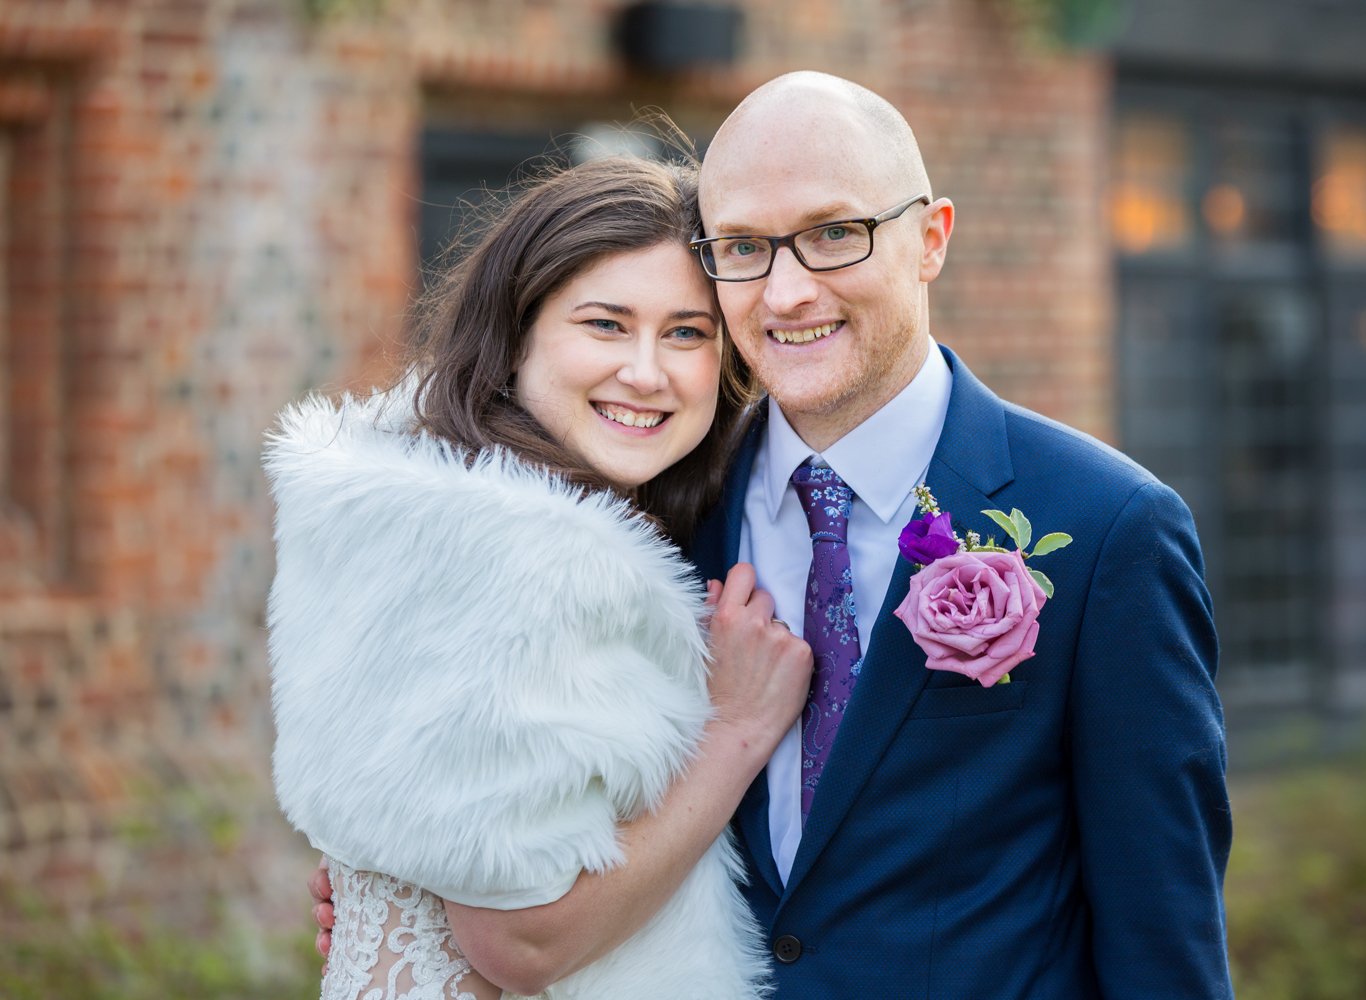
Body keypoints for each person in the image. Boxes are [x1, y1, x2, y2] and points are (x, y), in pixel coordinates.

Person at [312, 72, 1234, 998]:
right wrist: (407, 891)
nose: (788, 292)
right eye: (745, 247)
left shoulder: (1109, 528)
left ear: (931, 239)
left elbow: (1163, 938)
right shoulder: (651, 507)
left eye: (835, 233)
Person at [267, 151, 811, 999]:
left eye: (686, 333)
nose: (646, 371)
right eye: (604, 324)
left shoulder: (430, 510)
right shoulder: (527, 560)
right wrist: (737, 732)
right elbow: (520, 942)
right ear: (517, 332)